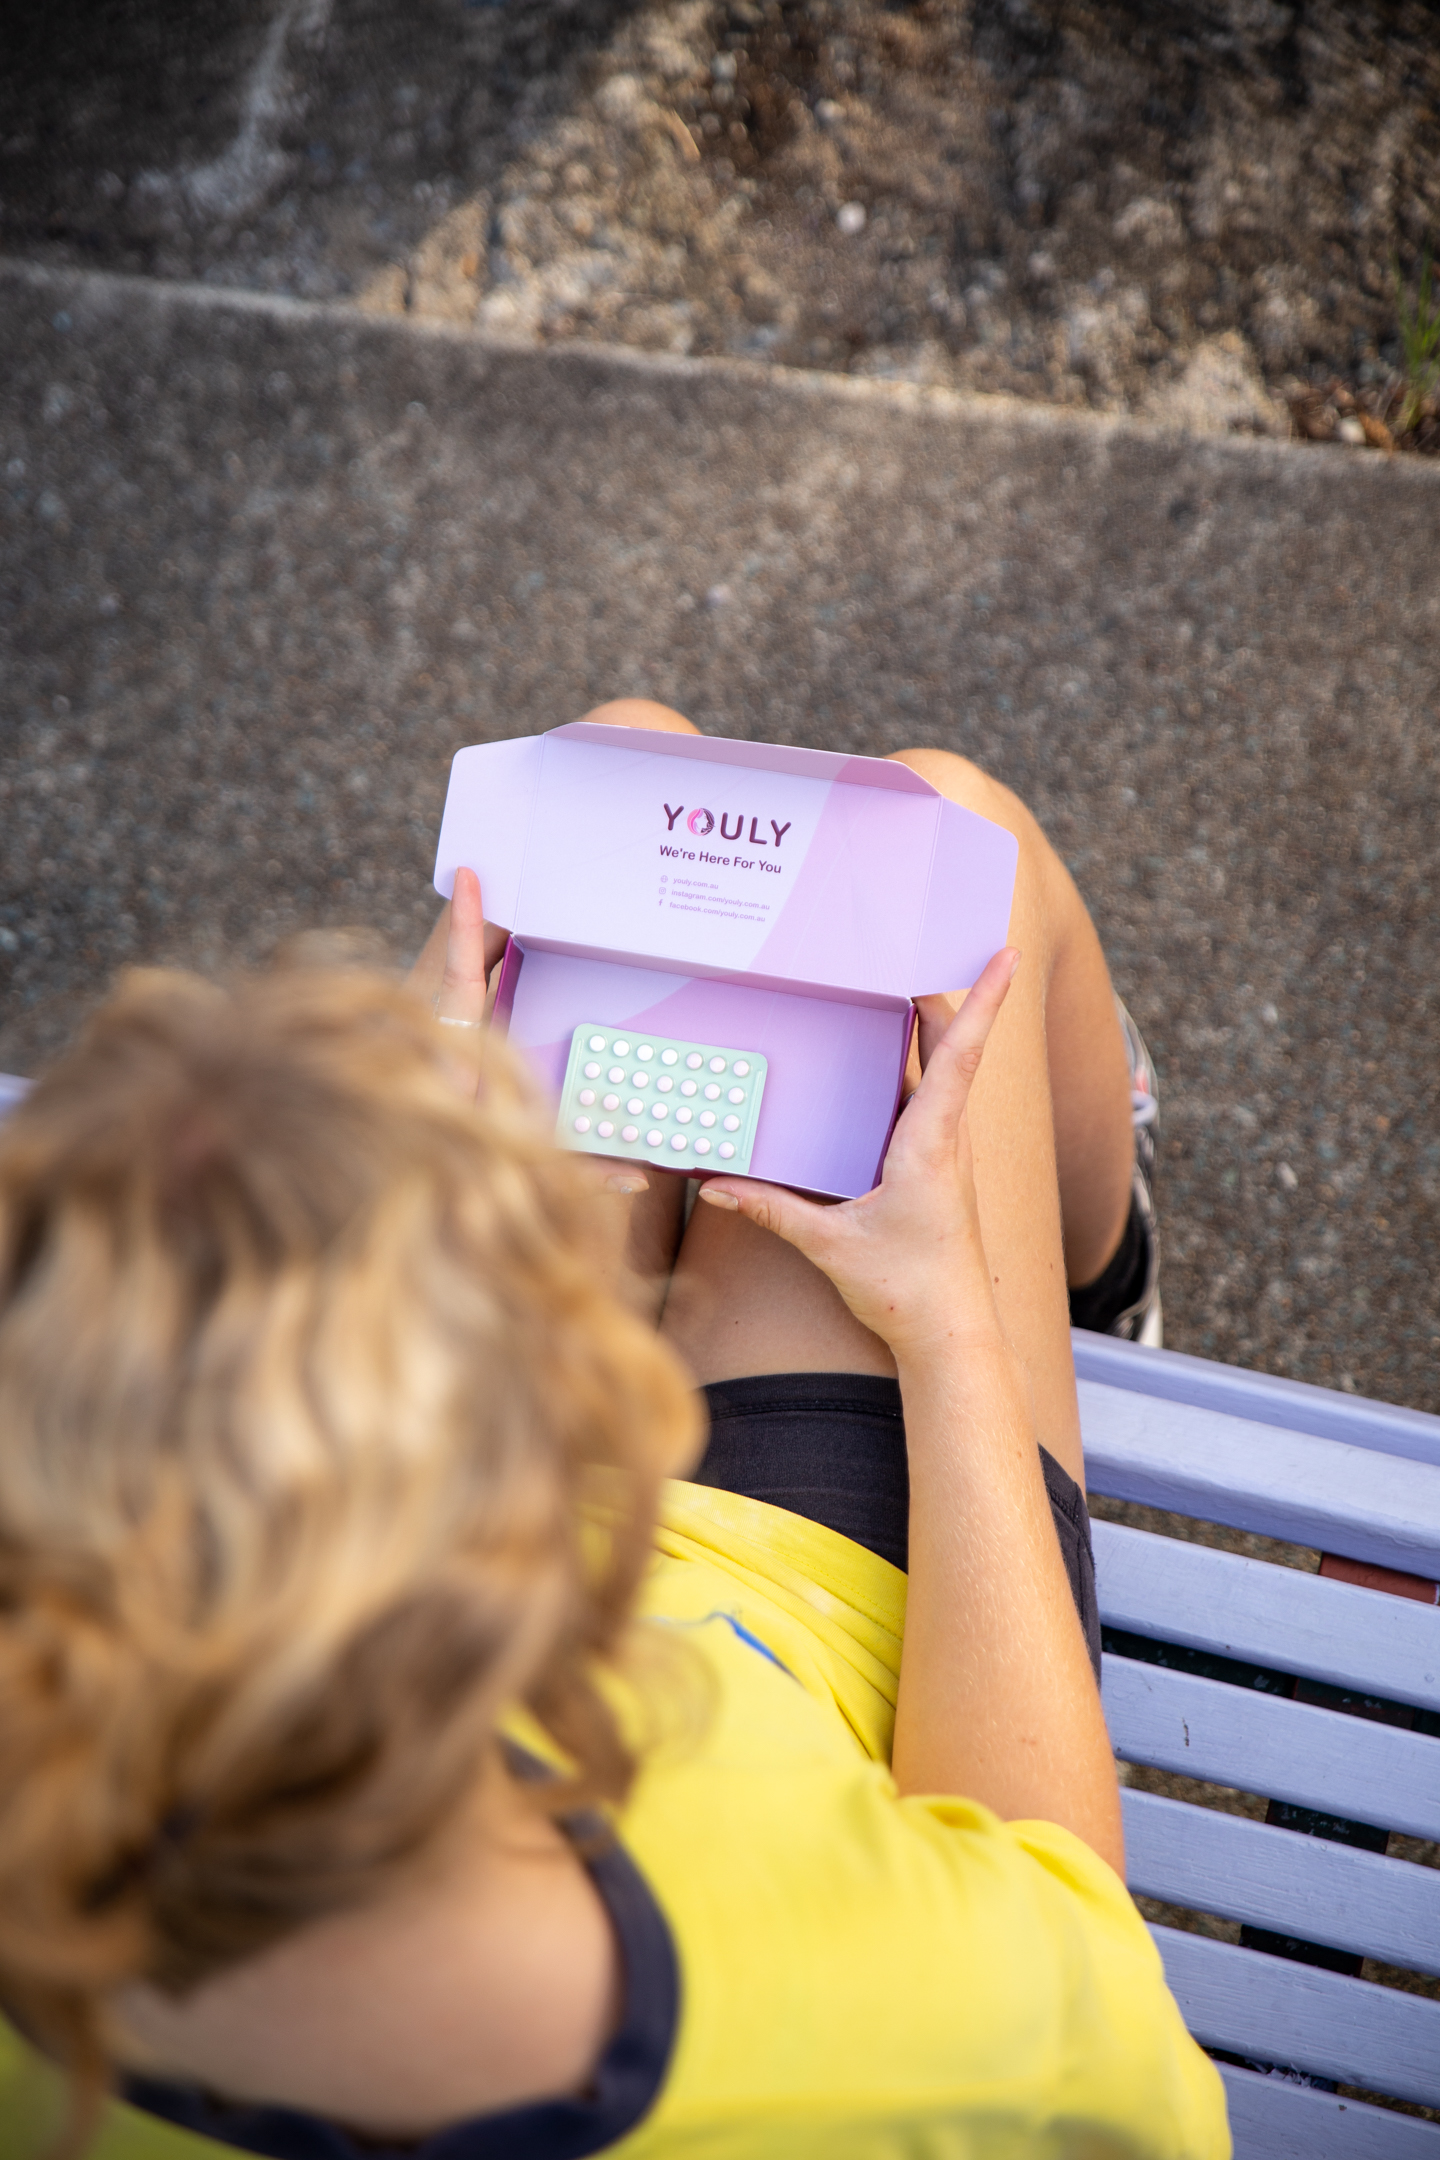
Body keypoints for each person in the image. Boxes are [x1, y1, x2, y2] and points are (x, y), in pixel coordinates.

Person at [0, 703, 1228, 2160]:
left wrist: (410, 1158)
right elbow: (1065, 1919)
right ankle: (1102, 1271)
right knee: (954, 843)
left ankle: (700, 1259)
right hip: (817, 1634)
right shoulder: (887, 2027)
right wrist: (954, 1320)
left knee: (621, 759)